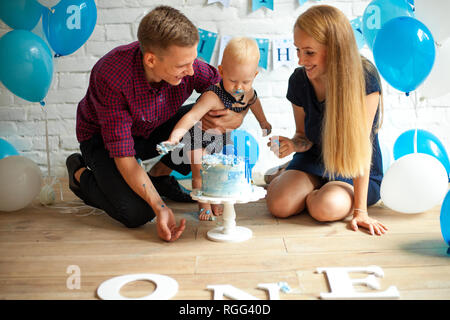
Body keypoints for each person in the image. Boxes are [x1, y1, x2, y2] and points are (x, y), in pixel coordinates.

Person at [65, 6, 247, 242]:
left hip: (152, 128)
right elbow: (124, 157)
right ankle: (79, 174)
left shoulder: (188, 66)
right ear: (151, 59)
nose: (191, 71)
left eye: (193, 61)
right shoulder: (111, 76)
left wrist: (237, 116)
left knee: (214, 120)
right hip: (103, 142)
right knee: (135, 214)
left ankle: (160, 175)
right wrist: (159, 207)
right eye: (183, 65)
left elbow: (230, 92)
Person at [266, 5, 388, 236]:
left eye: (309, 52)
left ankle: (309, 190)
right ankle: (295, 179)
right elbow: (303, 136)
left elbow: (362, 149)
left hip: (351, 168)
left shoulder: (365, 78)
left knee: (325, 208)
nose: (301, 60)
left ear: (334, 50)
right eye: (297, 50)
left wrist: (360, 211)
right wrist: (293, 144)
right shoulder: (299, 80)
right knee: (279, 206)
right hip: (314, 161)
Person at [161, 37, 272, 221]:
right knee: (199, 171)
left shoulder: (249, 92)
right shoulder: (213, 96)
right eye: (232, 80)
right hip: (198, 136)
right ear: (221, 71)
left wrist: (264, 122)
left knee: (218, 171)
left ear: (255, 75)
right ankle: (203, 206)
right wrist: (175, 137)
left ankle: (215, 200)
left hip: (220, 137)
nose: (238, 87)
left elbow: (255, 104)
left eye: (245, 81)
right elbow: (192, 116)